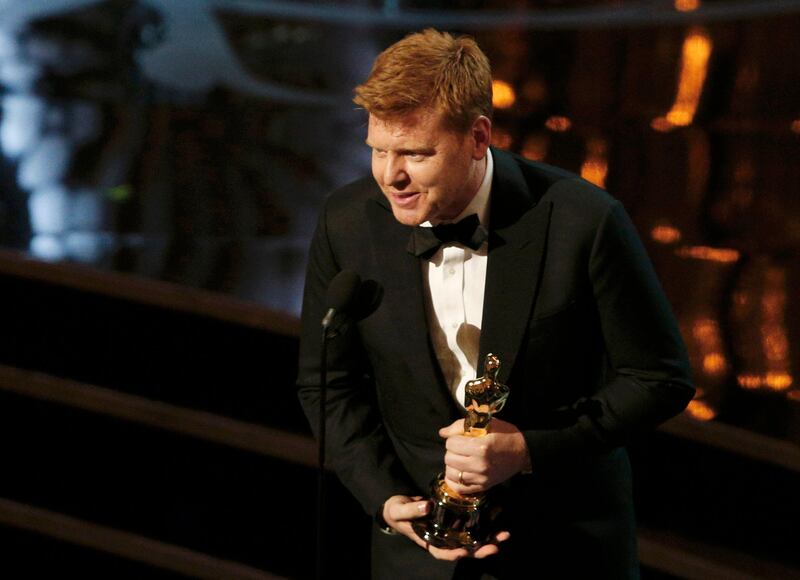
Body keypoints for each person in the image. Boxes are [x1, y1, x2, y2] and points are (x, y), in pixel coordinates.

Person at [297, 28, 693, 579]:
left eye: (416, 153)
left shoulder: (583, 220)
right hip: (414, 557)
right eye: (379, 151)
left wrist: (530, 450)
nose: (392, 176)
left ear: (478, 137)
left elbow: (660, 378)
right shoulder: (347, 224)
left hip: (564, 549)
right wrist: (385, 501)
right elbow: (327, 384)